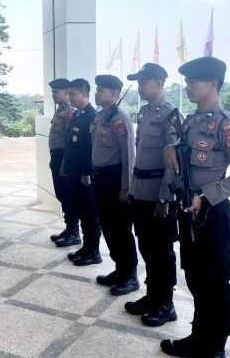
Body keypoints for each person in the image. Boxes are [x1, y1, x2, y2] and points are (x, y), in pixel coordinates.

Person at [160, 57, 230, 358]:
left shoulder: (226, 125)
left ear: (212, 84)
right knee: (196, 279)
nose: (187, 87)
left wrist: (207, 194)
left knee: (215, 283)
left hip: (213, 215)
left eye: (193, 81)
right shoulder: (190, 121)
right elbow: (181, 152)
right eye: (187, 82)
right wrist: (169, 148)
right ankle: (198, 337)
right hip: (189, 213)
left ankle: (215, 346)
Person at [125, 63, 178, 327]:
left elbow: (173, 161)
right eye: (139, 82)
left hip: (158, 195)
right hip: (141, 192)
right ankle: (152, 296)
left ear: (158, 84)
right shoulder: (145, 112)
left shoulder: (170, 115)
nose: (139, 87)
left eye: (144, 82)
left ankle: (166, 304)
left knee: (162, 252)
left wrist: (165, 198)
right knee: (146, 246)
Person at [91, 74, 139, 296]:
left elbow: (129, 153)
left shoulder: (120, 118)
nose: (97, 93)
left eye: (101, 89)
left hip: (115, 177)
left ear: (114, 93)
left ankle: (130, 275)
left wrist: (126, 186)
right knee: (108, 226)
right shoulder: (102, 116)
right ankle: (119, 269)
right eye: (97, 89)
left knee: (120, 228)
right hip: (101, 177)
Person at [59, 79, 102, 266]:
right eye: (69, 94)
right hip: (73, 172)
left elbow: (90, 149)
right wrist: (64, 165)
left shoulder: (92, 116)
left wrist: (86, 172)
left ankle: (94, 251)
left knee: (90, 213)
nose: (70, 97)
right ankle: (86, 247)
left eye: (73, 94)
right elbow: (70, 145)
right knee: (80, 211)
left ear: (84, 93)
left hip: (84, 176)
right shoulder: (77, 114)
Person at [47, 78, 76, 244]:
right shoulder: (60, 111)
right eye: (52, 92)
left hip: (64, 157)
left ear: (66, 93)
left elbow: (69, 141)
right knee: (61, 194)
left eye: (56, 92)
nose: (53, 95)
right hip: (56, 156)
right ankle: (69, 228)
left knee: (67, 194)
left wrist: (64, 163)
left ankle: (74, 233)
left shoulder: (69, 112)